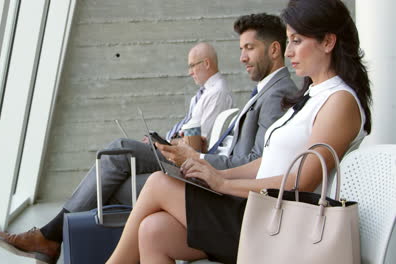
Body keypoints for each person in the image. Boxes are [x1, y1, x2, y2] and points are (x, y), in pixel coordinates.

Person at [106, 1, 372, 263]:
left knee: (158, 183)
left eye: (297, 41)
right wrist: (217, 174)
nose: (289, 52)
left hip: (279, 224)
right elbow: (266, 163)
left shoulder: (339, 100)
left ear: (328, 42)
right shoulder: (312, 94)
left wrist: (224, 184)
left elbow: (300, 182)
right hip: (259, 210)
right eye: (289, 41)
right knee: (154, 230)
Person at [0, 42, 233, 264]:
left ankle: (51, 236)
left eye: (193, 66)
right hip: (173, 151)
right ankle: (54, 239)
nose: (190, 71)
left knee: (118, 150)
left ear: (207, 63)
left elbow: (197, 144)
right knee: (117, 180)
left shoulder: (217, 93)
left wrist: (168, 144)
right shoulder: (202, 95)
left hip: (186, 160)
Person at [155, 13, 297, 171]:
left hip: (224, 183)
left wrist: (197, 158)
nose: (242, 58)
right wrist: (205, 151)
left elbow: (258, 164)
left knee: (130, 155)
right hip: (214, 170)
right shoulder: (264, 90)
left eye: (250, 48)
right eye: (242, 49)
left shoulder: (279, 93)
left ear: (274, 50)